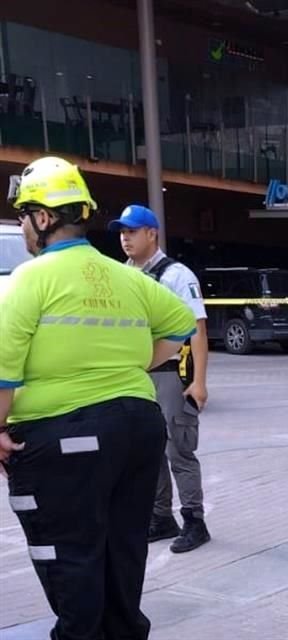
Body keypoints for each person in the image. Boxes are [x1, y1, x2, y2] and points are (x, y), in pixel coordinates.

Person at [0, 156, 197, 640]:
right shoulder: (127, 276)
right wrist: (129, 367)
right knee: (122, 550)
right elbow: (181, 324)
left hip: (62, 435)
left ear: (43, 218)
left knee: (68, 555)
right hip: (136, 428)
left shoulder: (30, 279)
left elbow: (2, 369)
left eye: (25, 215)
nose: (24, 226)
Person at [109, 205, 211, 553]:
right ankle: (161, 518)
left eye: (132, 231)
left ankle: (194, 521)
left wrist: (199, 382)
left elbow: (197, 329)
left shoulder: (178, 275)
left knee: (178, 450)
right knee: (147, 451)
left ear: (152, 233)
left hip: (171, 376)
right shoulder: (121, 273)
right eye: (122, 232)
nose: (125, 238)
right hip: (137, 377)